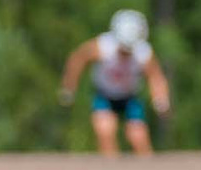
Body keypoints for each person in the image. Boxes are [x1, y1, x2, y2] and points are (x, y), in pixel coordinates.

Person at [57, 10, 171, 157]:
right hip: (105, 95)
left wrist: (160, 98)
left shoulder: (144, 54)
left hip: (130, 97)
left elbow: (155, 76)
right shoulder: (102, 46)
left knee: (138, 135)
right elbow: (77, 59)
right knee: (105, 130)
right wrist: (69, 87)